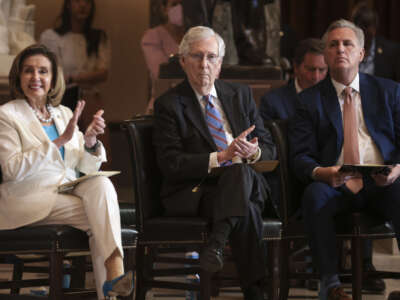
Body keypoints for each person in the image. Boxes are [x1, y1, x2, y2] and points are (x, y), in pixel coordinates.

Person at [153, 26, 277, 300]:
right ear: (183, 61)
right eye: (197, 56)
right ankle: (256, 290)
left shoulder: (240, 95)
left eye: (212, 57)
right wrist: (221, 157)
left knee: (242, 173)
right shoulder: (169, 105)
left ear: (220, 64)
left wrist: (253, 152)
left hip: (244, 184)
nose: (204, 64)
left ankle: (218, 242)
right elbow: (171, 163)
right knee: (244, 195)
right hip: (201, 191)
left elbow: (269, 147)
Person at [0, 44, 132, 300]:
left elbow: (81, 167)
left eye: (42, 71)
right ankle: (113, 280)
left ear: (52, 80)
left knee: (103, 186)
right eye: (28, 71)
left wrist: (91, 142)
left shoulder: (64, 113)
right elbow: (11, 169)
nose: (36, 77)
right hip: (27, 198)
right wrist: (59, 142)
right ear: (19, 77)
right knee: (102, 217)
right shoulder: (7, 114)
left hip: (67, 192)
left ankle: (114, 275)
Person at [289, 19, 400, 300]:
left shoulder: (389, 92)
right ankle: (331, 284)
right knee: (314, 195)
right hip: (335, 182)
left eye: (347, 43)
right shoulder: (308, 101)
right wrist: (322, 172)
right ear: (326, 54)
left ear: (361, 53)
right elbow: (299, 156)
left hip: (382, 181)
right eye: (333, 44)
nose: (340, 49)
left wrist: (396, 170)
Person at [39, 0, 112, 168]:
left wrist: (73, 78)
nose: (83, 5)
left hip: (89, 96)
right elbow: (53, 72)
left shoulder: (98, 36)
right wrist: (76, 78)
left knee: (99, 148)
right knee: (66, 146)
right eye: (78, 1)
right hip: (61, 98)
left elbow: (103, 73)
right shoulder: (51, 36)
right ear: (68, 5)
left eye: (87, 2)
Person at [259, 38, 328, 122]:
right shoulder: (272, 102)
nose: (316, 77)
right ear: (296, 67)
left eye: (322, 70)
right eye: (310, 69)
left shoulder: (334, 99)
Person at [141, 0, 184, 114]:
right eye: (175, 4)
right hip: (163, 105)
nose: (180, 8)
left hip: (191, 106)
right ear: (165, 9)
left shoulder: (194, 37)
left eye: (183, 3)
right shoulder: (152, 36)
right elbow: (161, 72)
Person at [351, 1, 400, 81]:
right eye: (359, 26)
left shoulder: (391, 52)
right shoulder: (346, 49)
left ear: (375, 27)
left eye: (366, 26)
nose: (363, 31)